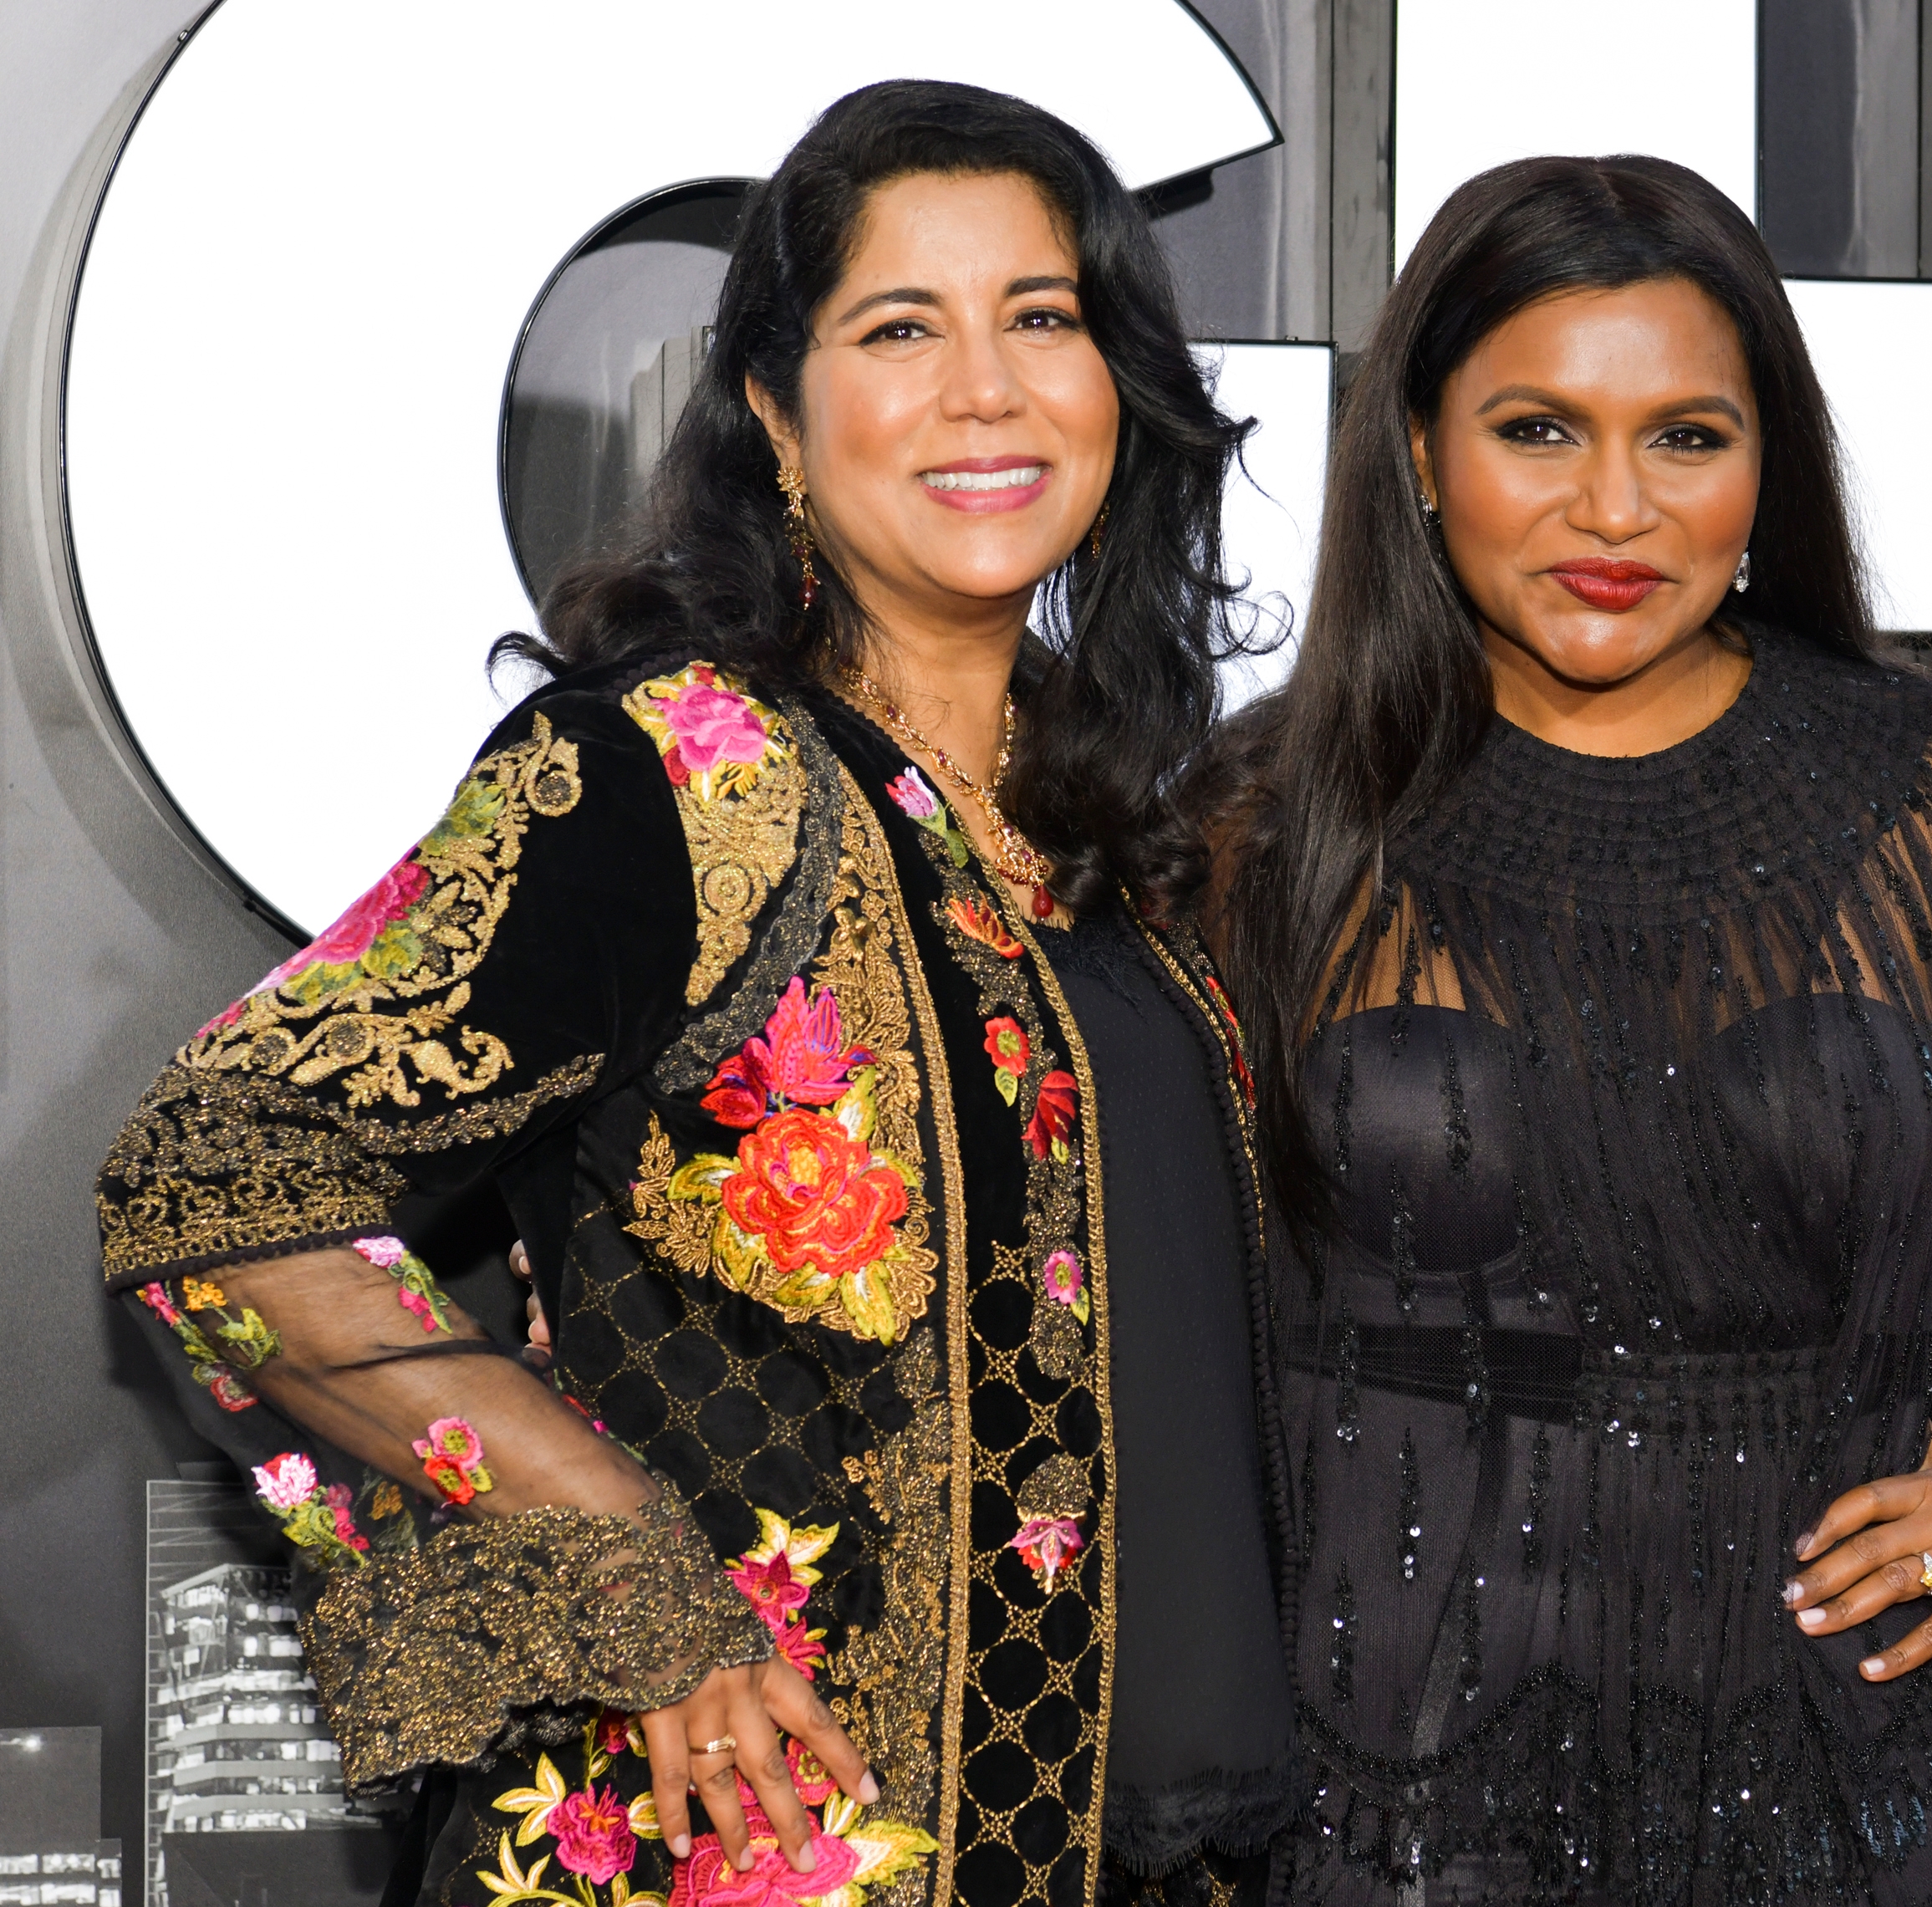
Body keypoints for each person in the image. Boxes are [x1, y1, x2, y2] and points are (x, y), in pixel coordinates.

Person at [95, 80, 1298, 1907]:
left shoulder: (1141, 821)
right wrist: (640, 1585)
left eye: (1040, 318)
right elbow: (215, 1181)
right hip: (749, 1858)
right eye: (902, 327)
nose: (987, 384)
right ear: (775, 411)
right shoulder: (672, 776)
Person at [1200, 155, 1932, 1905]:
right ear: (1419, 454)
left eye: (1688, 434)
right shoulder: (1252, 822)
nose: (1617, 508)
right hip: (1394, 1800)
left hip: (1856, 1779)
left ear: (1768, 466)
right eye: (1537, 430)